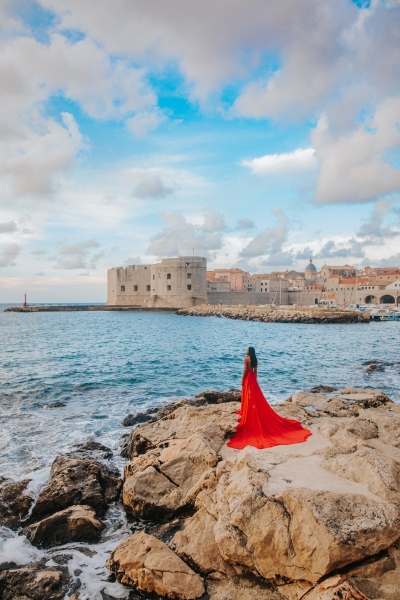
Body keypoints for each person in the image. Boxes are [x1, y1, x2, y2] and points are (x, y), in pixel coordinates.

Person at [227, 347, 311, 449]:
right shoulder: (254, 359)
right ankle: (250, 409)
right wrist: (255, 381)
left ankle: (247, 410)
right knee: (254, 395)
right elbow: (255, 371)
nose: (245, 350)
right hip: (253, 378)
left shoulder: (246, 360)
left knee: (248, 396)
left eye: (246, 349)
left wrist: (242, 380)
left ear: (249, 352)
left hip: (248, 378)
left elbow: (245, 371)